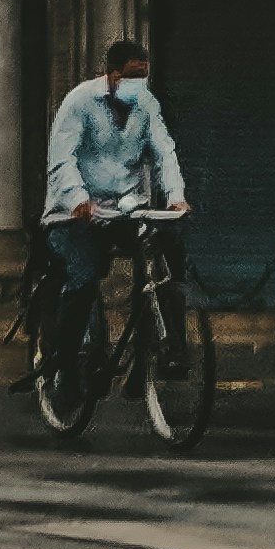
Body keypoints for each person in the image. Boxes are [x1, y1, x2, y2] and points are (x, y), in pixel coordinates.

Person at [39, 37, 188, 386]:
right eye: (133, 76)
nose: (140, 84)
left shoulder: (146, 105)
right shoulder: (79, 102)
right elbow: (62, 159)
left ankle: (168, 351)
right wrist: (78, 199)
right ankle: (66, 364)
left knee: (167, 252)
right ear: (113, 74)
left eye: (145, 77)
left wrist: (176, 197)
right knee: (84, 276)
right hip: (75, 214)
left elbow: (165, 151)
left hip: (125, 211)